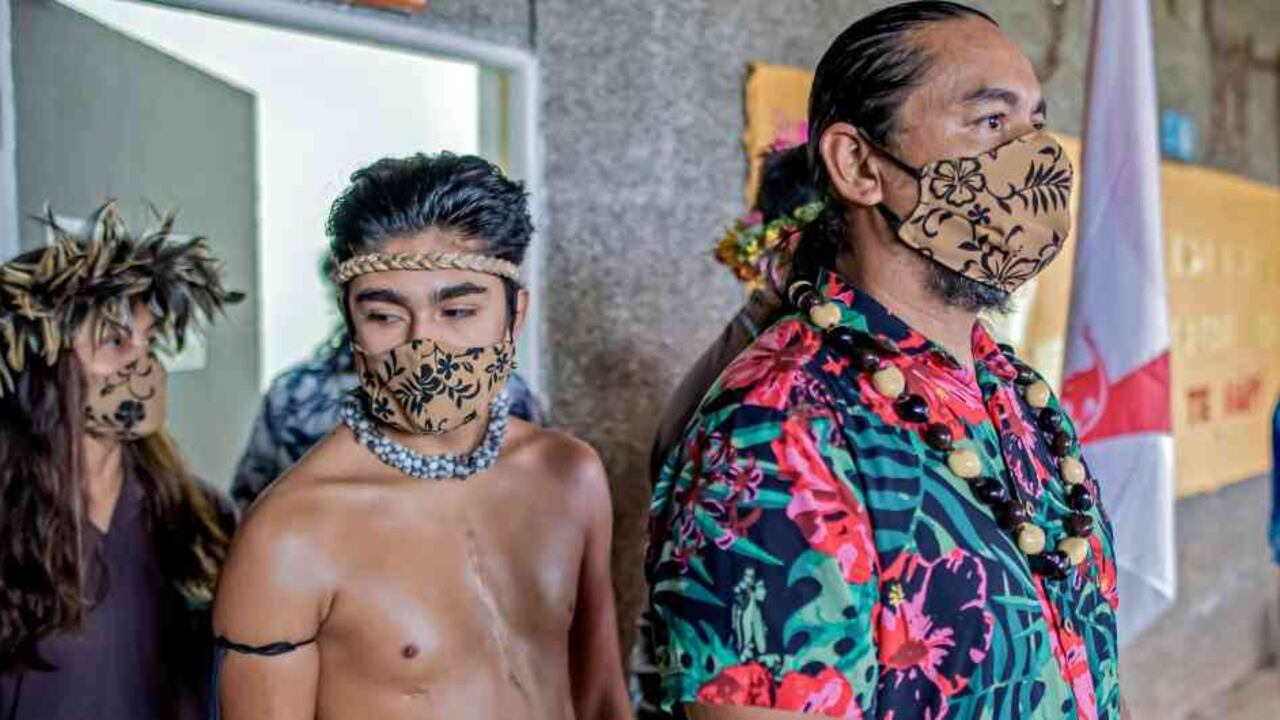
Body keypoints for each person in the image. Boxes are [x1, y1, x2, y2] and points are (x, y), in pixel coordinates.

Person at [646, 3, 1126, 719]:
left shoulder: (1014, 391)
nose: (1036, 160)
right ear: (859, 164)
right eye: (992, 123)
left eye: (1034, 124)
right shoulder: (781, 433)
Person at [212, 152, 633, 720]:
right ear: (350, 320)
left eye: (458, 310)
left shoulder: (570, 476)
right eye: (386, 316)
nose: (423, 347)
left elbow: (603, 698)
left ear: (515, 315)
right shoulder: (290, 535)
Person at [0, 204, 241, 720]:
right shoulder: (9, 526)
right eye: (115, 340)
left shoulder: (197, 516)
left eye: (149, 340)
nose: (144, 362)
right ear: (49, 361)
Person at [230, 260, 547, 509]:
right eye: (384, 314)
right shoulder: (296, 395)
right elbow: (252, 500)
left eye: (457, 312)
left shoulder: (504, 393)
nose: (421, 340)